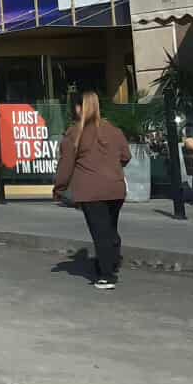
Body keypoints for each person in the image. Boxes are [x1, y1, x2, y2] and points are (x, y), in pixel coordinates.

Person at [53, 91, 132, 289]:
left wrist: (59, 188)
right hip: (116, 187)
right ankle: (111, 261)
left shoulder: (75, 133)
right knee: (110, 228)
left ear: (79, 108)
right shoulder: (113, 130)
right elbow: (126, 156)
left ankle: (107, 276)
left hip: (91, 190)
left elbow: (66, 165)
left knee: (100, 232)